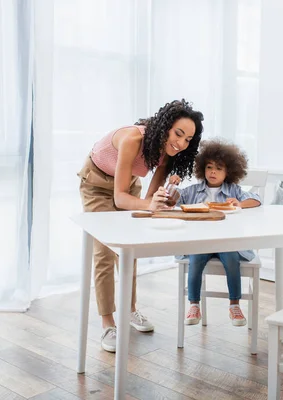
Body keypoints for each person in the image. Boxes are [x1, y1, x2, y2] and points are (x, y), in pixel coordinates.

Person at [78, 99, 203, 352]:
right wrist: (149, 205)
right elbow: (119, 199)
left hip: (125, 184)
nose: (181, 143)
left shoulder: (168, 153)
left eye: (188, 139)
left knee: (129, 251)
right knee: (104, 252)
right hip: (97, 184)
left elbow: (149, 200)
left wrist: (166, 196)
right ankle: (108, 323)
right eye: (178, 133)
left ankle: (130, 310)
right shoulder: (132, 139)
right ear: (166, 126)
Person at [176, 139, 261, 327]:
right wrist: (172, 186)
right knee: (195, 259)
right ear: (202, 169)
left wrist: (240, 203)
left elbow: (256, 199)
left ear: (228, 171)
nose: (213, 172)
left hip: (226, 242)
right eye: (209, 167)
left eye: (219, 168)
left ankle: (234, 305)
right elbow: (175, 200)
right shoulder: (193, 190)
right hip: (202, 242)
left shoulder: (233, 190)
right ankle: (194, 304)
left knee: (231, 258)